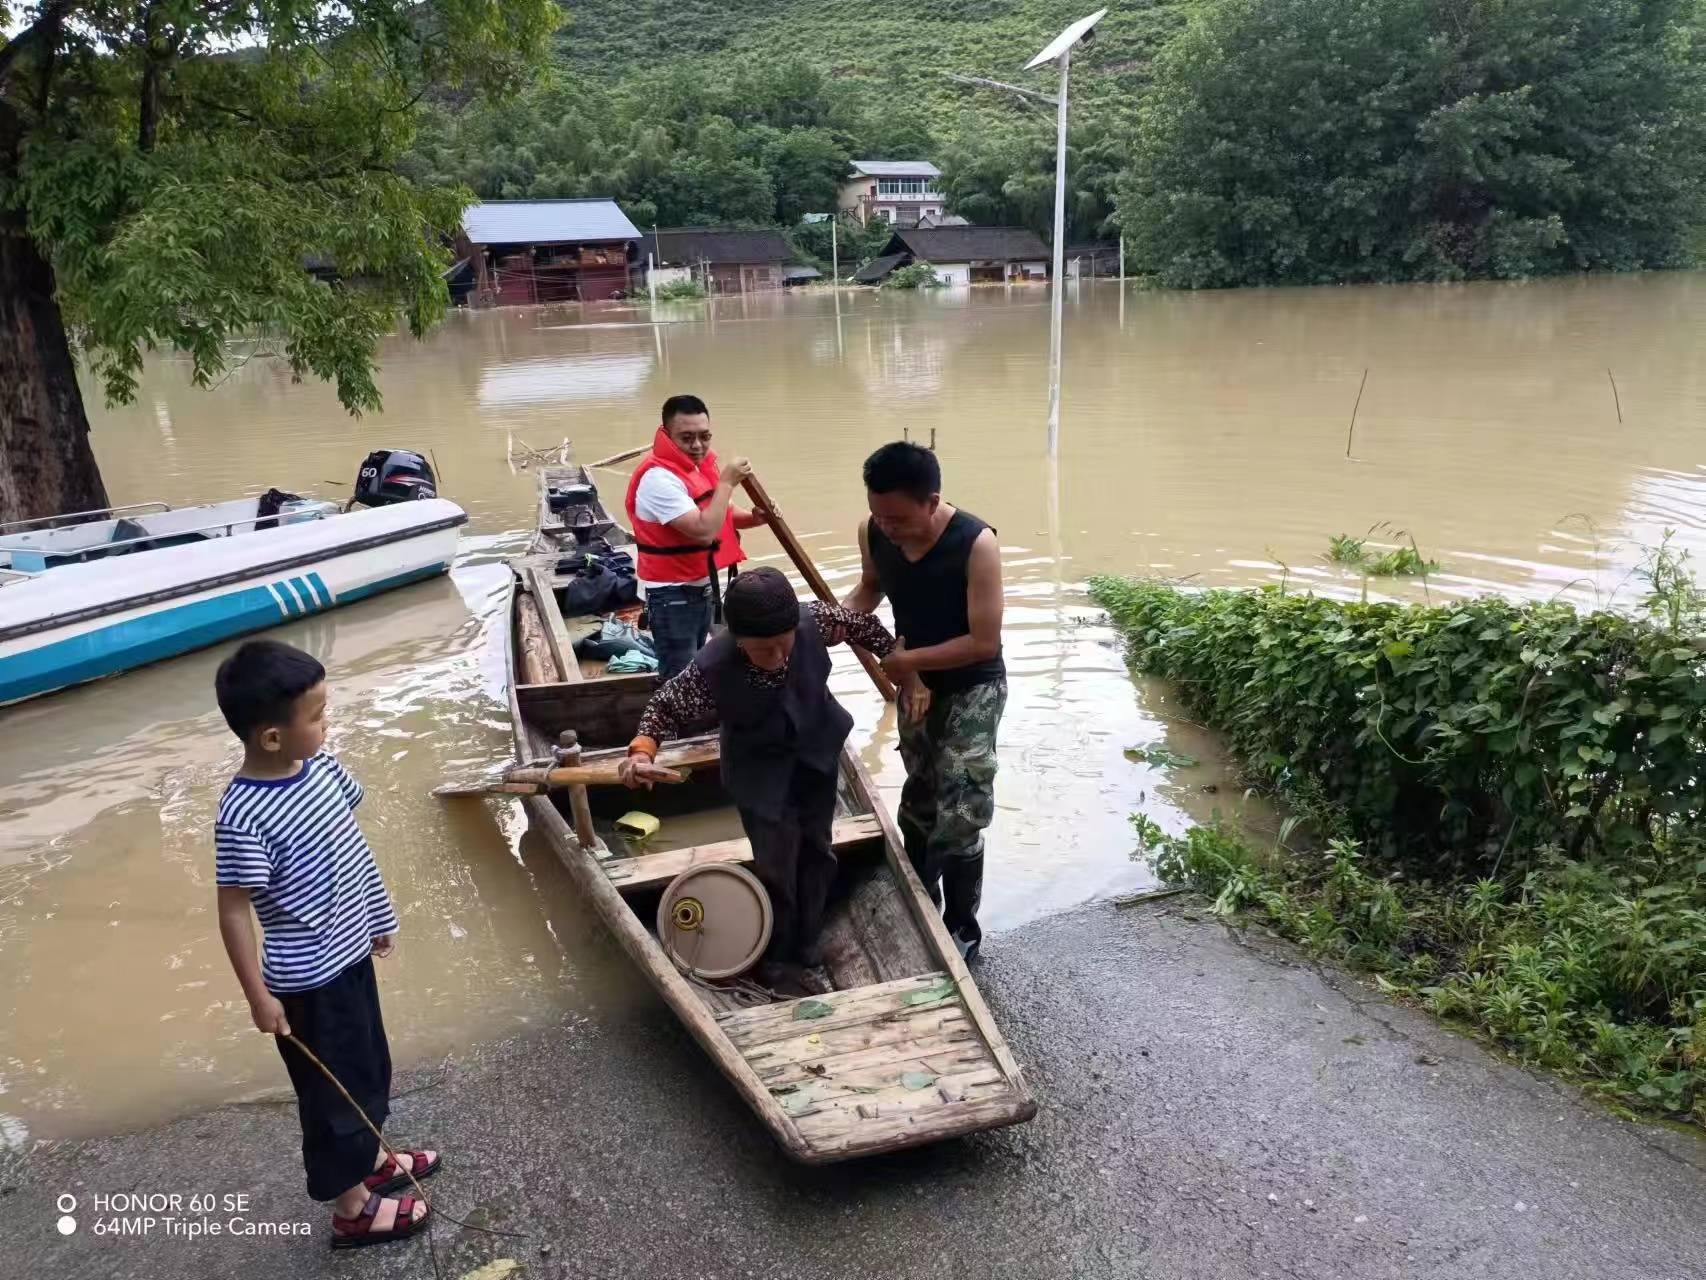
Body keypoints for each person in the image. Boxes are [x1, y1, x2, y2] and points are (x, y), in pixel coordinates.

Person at [212, 639, 438, 1250]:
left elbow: (349, 848)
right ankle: (351, 1207)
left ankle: (370, 1159)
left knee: (368, 1066)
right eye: (316, 715)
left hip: (350, 955)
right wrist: (257, 997)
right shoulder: (243, 816)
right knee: (331, 1093)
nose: (327, 722)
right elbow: (233, 910)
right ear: (271, 737)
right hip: (307, 982)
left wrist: (378, 916)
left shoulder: (322, 770)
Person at [618, 567, 922, 993]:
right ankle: (776, 955)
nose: (779, 656)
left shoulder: (813, 621)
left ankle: (808, 940)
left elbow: (866, 627)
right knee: (777, 859)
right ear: (738, 639)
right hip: (758, 770)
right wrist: (640, 753)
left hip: (816, 752)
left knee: (817, 849)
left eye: (785, 644)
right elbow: (662, 711)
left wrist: (907, 672)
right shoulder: (711, 668)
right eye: (764, 650)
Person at [846, 442, 1005, 961]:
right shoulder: (874, 530)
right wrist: (837, 618)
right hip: (915, 680)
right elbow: (870, 588)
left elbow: (985, 642)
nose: (887, 527)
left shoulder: (976, 544)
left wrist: (910, 663)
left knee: (961, 805)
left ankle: (963, 929)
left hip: (972, 684)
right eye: (878, 515)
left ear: (932, 501)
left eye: (898, 518)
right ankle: (922, 905)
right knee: (919, 793)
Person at [625, 393, 768, 678]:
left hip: (703, 587)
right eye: (687, 437)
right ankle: (673, 721)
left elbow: (724, 515)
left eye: (704, 436)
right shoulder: (658, 479)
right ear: (666, 435)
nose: (698, 446)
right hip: (671, 595)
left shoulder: (700, 469)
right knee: (680, 676)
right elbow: (704, 531)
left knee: (705, 666)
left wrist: (756, 517)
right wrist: (727, 481)